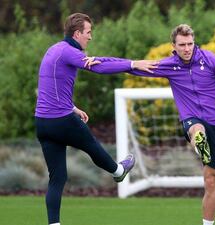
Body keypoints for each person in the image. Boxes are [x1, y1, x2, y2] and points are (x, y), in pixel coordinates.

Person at [87, 24, 215, 225]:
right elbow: (132, 66)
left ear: (194, 42)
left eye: (190, 44)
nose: (187, 48)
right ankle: (199, 142)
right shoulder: (169, 65)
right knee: (196, 128)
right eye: (182, 45)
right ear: (174, 45)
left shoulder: (212, 59)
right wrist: (97, 62)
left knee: (211, 180)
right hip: (192, 119)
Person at [35, 13, 156, 225]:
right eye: (88, 32)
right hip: (61, 121)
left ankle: (53, 224)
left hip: (42, 123)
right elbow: (100, 66)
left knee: (57, 179)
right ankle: (118, 171)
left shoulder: (54, 50)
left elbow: (50, 83)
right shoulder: (70, 52)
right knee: (92, 145)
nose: (90, 37)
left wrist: (72, 107)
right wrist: (133, 64)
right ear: (77, 33)